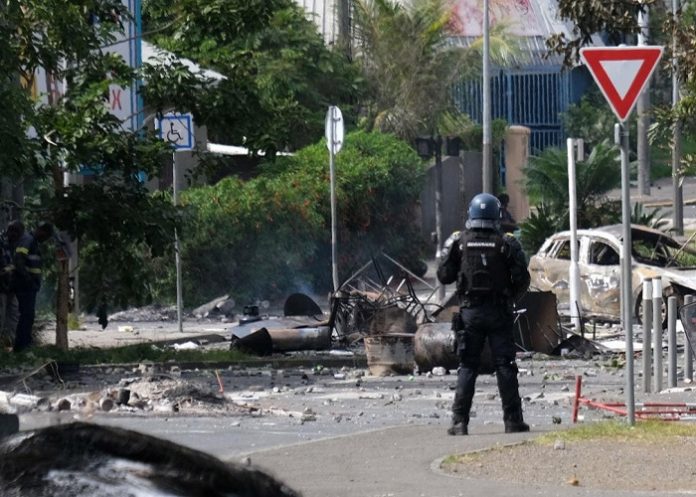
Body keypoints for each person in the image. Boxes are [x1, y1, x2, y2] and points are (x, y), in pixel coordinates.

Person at [437, 193, 531, 435]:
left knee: (467, 366)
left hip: (470, 313)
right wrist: (510, 297)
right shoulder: (506, 242)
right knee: (505, 366)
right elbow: (523, 279)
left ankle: (459, 422)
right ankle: (512, 421)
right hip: (499, 312)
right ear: (497, 215)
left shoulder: (459, 242)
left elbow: (444, 276)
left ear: (471, 214)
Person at [9, 221, 54, 352]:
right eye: (46, 236)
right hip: (24, 285)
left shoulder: (33, 242)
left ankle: (24, 343)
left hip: (29, 285)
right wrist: (28, 280)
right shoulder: (28, 240)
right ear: (41, 231)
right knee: (26, 315)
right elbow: (18, 261)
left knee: (28, 315)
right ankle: (21, 346)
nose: (45, 239)